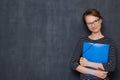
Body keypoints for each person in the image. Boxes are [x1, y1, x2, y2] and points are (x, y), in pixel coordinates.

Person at [70, 9, 116, 80]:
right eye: (89, 23)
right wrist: (95, 72)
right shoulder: (82, 41)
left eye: (95, 21)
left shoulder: (109, 42)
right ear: (86, 25)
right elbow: (73, 63)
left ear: (100, 20)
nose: (93, 25)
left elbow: (112, 66)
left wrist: (88, 63)